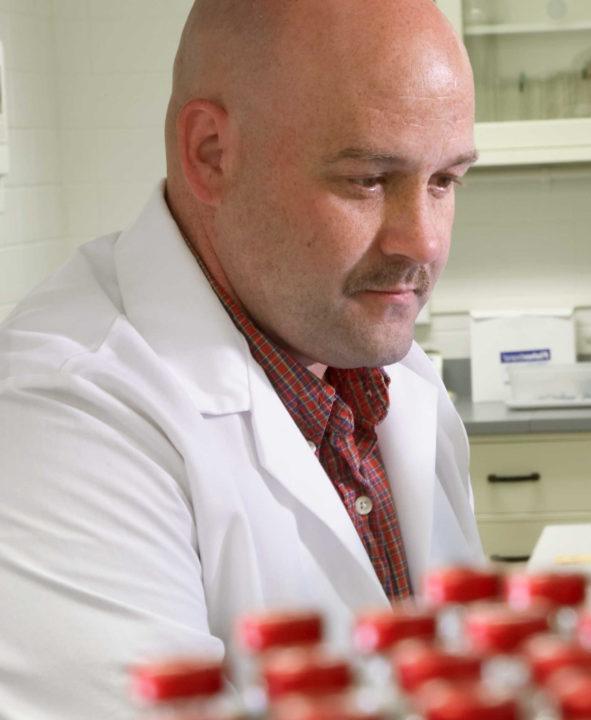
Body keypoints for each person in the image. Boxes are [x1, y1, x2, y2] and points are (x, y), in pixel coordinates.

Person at [0, 0, 483, 716]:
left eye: (445, 181)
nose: (425, 242)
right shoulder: (60, 424)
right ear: (210, 154)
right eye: (368, 180)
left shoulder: (380, 375)